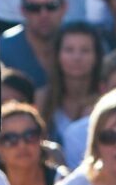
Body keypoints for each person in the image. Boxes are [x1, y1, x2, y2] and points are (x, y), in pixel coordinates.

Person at [36, 21, 102, 162]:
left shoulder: (106, 99)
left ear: (97, 56)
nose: (77, 57)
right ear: (57, 55)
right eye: (69, 50)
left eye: (85, 50)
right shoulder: (42, 98)